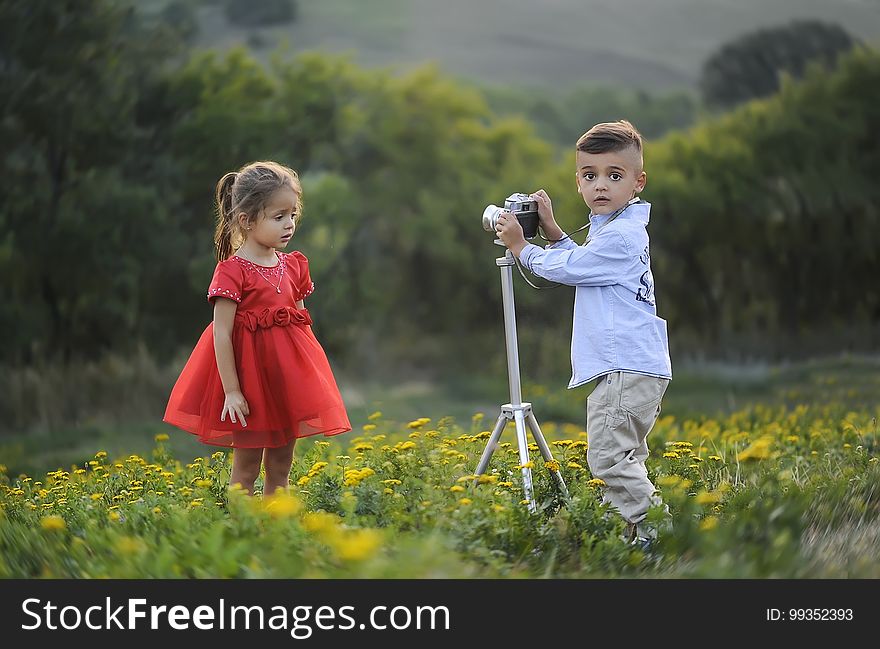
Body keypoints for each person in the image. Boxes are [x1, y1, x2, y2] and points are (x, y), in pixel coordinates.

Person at [494, 120, 672, 546]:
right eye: (590, 176)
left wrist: (522, 247)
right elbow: (585, 264)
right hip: (636, 365)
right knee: (626, 457)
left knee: (609, 459)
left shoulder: (623, 237)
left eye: (615, 176)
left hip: (625, 367)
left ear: (638, 182)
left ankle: (660, 534)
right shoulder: (613, 228)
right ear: (578, 182)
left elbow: (570, 269)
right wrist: (553, 231)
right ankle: (636, 535)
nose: (601, 186)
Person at [163, 161, 351, 496]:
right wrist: (233, 391)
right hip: (250, 387)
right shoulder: (233, 271)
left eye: (293, 214)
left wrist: (309, 380)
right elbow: (221, 334)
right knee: (246, 470)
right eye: (278, 217)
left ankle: (275, 535)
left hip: (284, 383)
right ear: (246, 221)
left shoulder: (294, 266)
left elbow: (302, 326)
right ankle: (246, 535)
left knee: (281, 467)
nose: (289, 224)